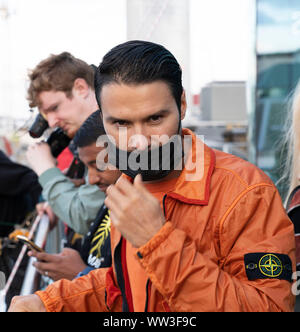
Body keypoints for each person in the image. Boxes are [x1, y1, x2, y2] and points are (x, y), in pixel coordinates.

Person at [9, 40, 296, 312]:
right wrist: (49, 302)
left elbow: (268, 306)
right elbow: (123, 285)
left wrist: (156, 240)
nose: (139, 142)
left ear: (181, 105)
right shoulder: (130, 182)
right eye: (120, 123)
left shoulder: (245, 190)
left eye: (155, 119)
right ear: (102, 117)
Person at [28, 110, 121, 281]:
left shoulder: (134, 215)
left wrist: (80, 275)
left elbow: (131, 296)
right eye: (87, 170)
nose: (91, 180)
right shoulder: (111, 200)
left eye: (99, 166)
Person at [25, 52, 105, 236]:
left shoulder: (109, 135)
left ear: (81, 88)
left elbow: (84, 216)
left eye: (55, 108)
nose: (52, 122)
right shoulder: (90, 136)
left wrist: (47, 171)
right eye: (46, 115)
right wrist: (61, 198)